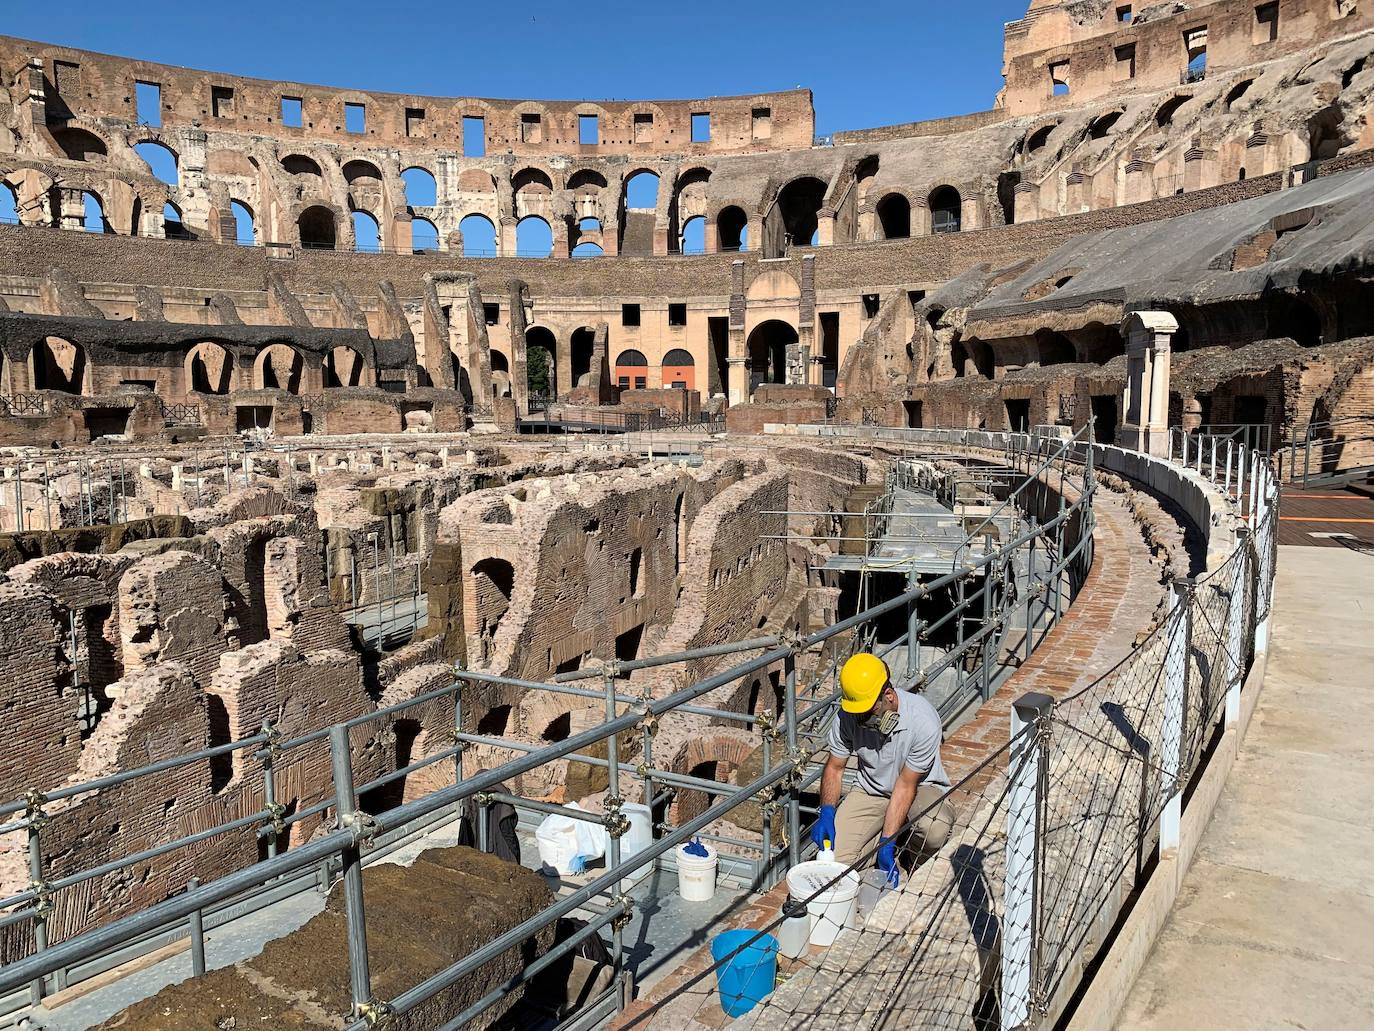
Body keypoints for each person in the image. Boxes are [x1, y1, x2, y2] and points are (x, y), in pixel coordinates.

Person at [810, 652, 955, 886]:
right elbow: (835, 767)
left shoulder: (922, 720)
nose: (862, 720)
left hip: (919, 788)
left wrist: (887, 841)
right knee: (834, 863)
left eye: (868, 712)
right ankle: (883, 837)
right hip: (870, 791)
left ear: (888, 695)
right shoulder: (849, 715)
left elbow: (906, 785)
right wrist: (826, 811)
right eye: (858, 714)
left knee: (934, 827)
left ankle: (914, 859)